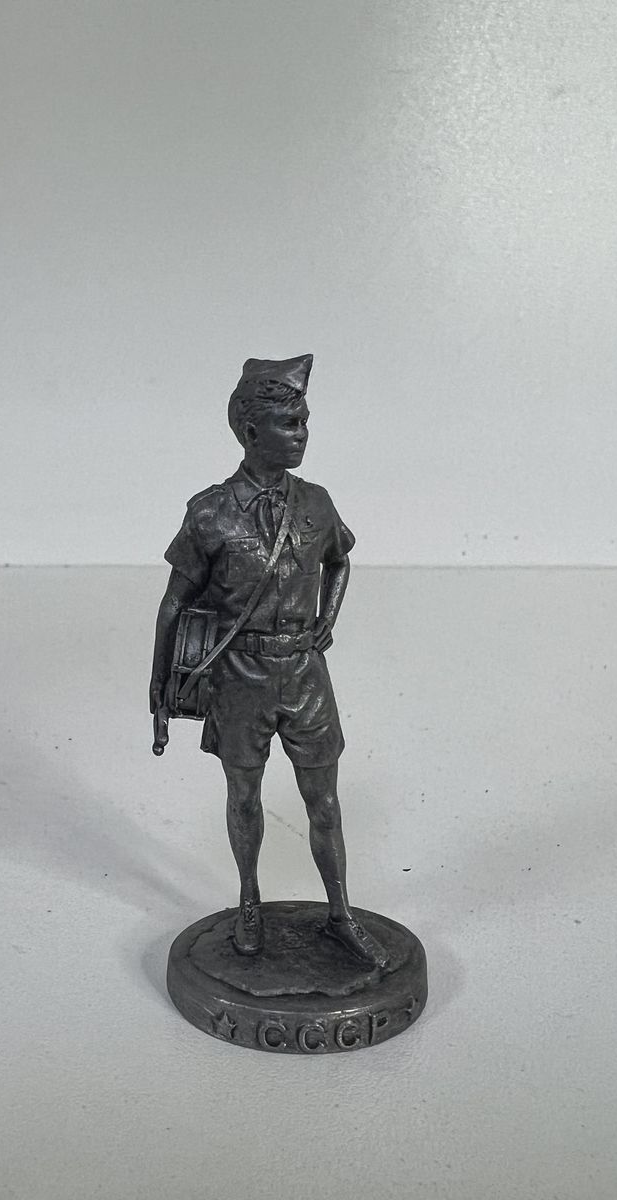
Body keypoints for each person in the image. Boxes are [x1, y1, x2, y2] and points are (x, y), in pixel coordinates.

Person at [150, 354, 388, 967]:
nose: (303, 434)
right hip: (240, 679)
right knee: (244, 797)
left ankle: (340, 913)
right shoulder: (210, 512)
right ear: (252, 431)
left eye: (305, 421)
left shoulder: (317, 502)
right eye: (289, 423)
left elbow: (340, 560)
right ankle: (249, 903)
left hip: (305, 674)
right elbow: (173, 602)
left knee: (324, 801)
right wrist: (160, 688)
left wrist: (327, 619)